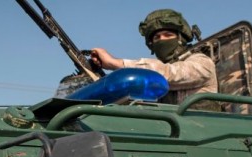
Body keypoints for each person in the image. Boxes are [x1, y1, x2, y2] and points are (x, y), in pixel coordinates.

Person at [91, 9, 219, 110]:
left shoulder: (202, 62)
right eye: (157, 37)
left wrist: (116, 63)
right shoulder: (153, 77)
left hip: (204, 135)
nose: (162, 40)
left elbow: (171, 74)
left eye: (168, 35)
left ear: (181, 39)